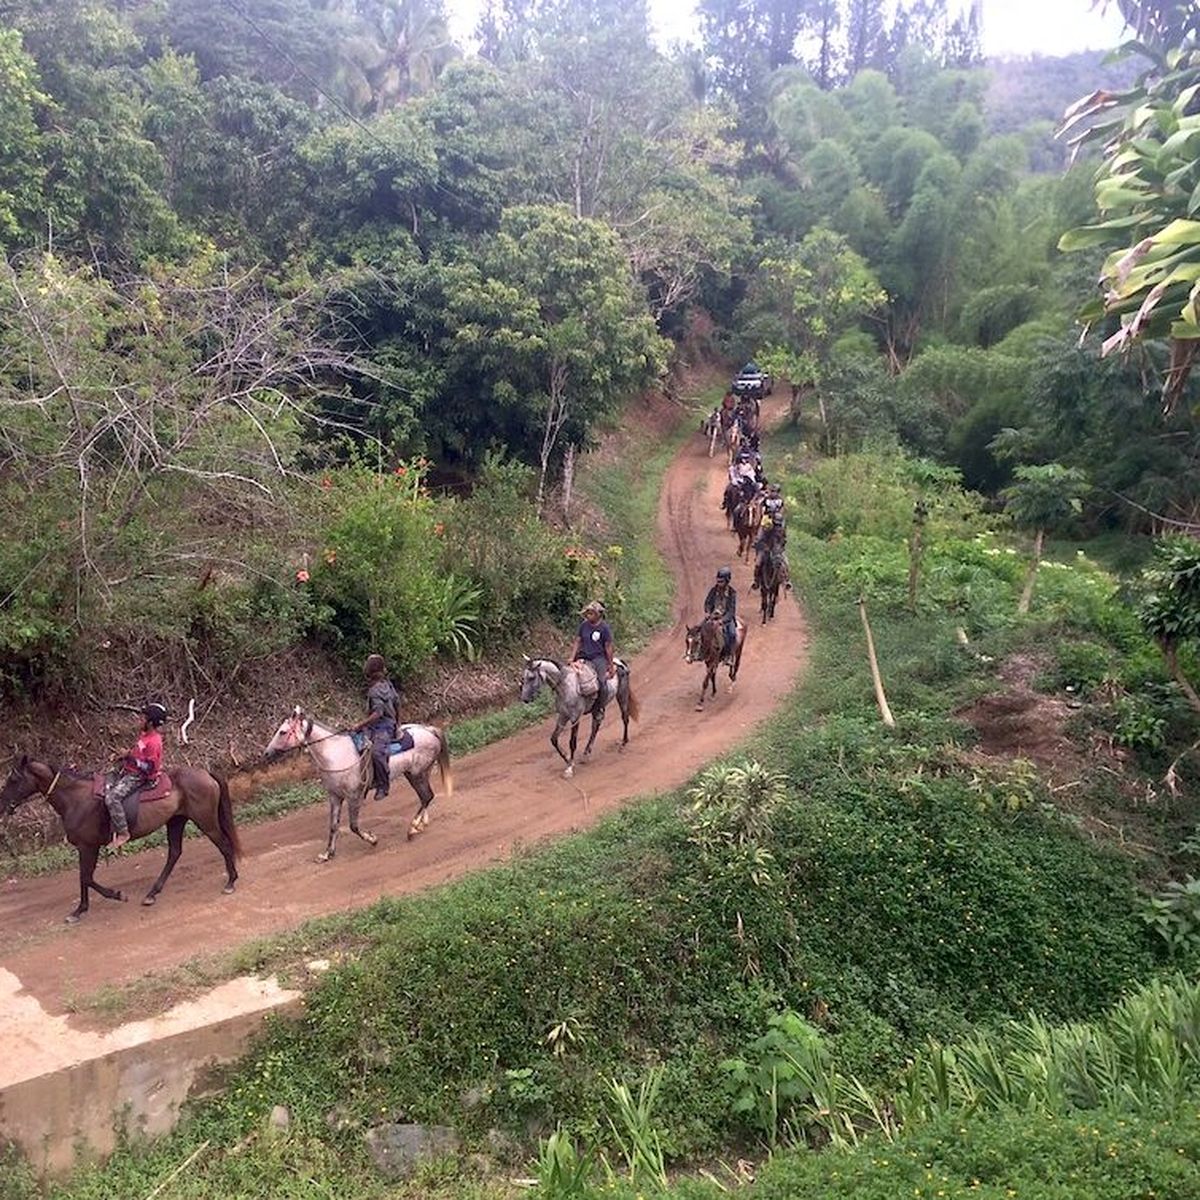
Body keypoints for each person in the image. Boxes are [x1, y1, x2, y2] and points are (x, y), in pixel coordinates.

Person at [105, 703, 166, 849]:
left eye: (143, 718)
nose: (139, 720)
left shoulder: (154, 742)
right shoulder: (145, 735)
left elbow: (149, 767)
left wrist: (129, 758)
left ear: (150, 723)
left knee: (112, 798)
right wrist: (125, 755)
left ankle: (123, 833)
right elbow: (139, 754)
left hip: (140, 777)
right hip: (130, 769)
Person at [354, 654, 400, 801]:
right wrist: (398, 722)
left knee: (376, 753)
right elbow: (398, 704)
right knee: (358, 746)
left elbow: (378, 713)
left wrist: (360, 725)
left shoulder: (375, 691)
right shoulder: (388, 685)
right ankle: (365, 781)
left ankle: (383, 785)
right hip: (384, 724)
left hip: (383, 727)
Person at [570, 600, 615, 700]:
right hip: (583, 657)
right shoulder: (583, 626)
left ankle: (599, 707)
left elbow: (608, 647)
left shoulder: (604, 628)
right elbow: (578, 641)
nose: (588, 616)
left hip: (598, 658)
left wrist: (610, 665)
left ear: (598, 614)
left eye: (591, 613)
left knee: (601, 682)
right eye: (587, 613)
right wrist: (571, 658)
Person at [704, 567, 739, 658]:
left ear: (727, 581)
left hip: (725, 619)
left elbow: (731, 611)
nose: (719, 583)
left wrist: (722, 621)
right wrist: (707, 612)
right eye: (718, 581)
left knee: (732, 634)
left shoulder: (732, 593)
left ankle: (728, 655)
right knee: (699, 630)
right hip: (712, 617)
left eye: (721, 581)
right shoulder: (713, 590)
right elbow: (707, 602)